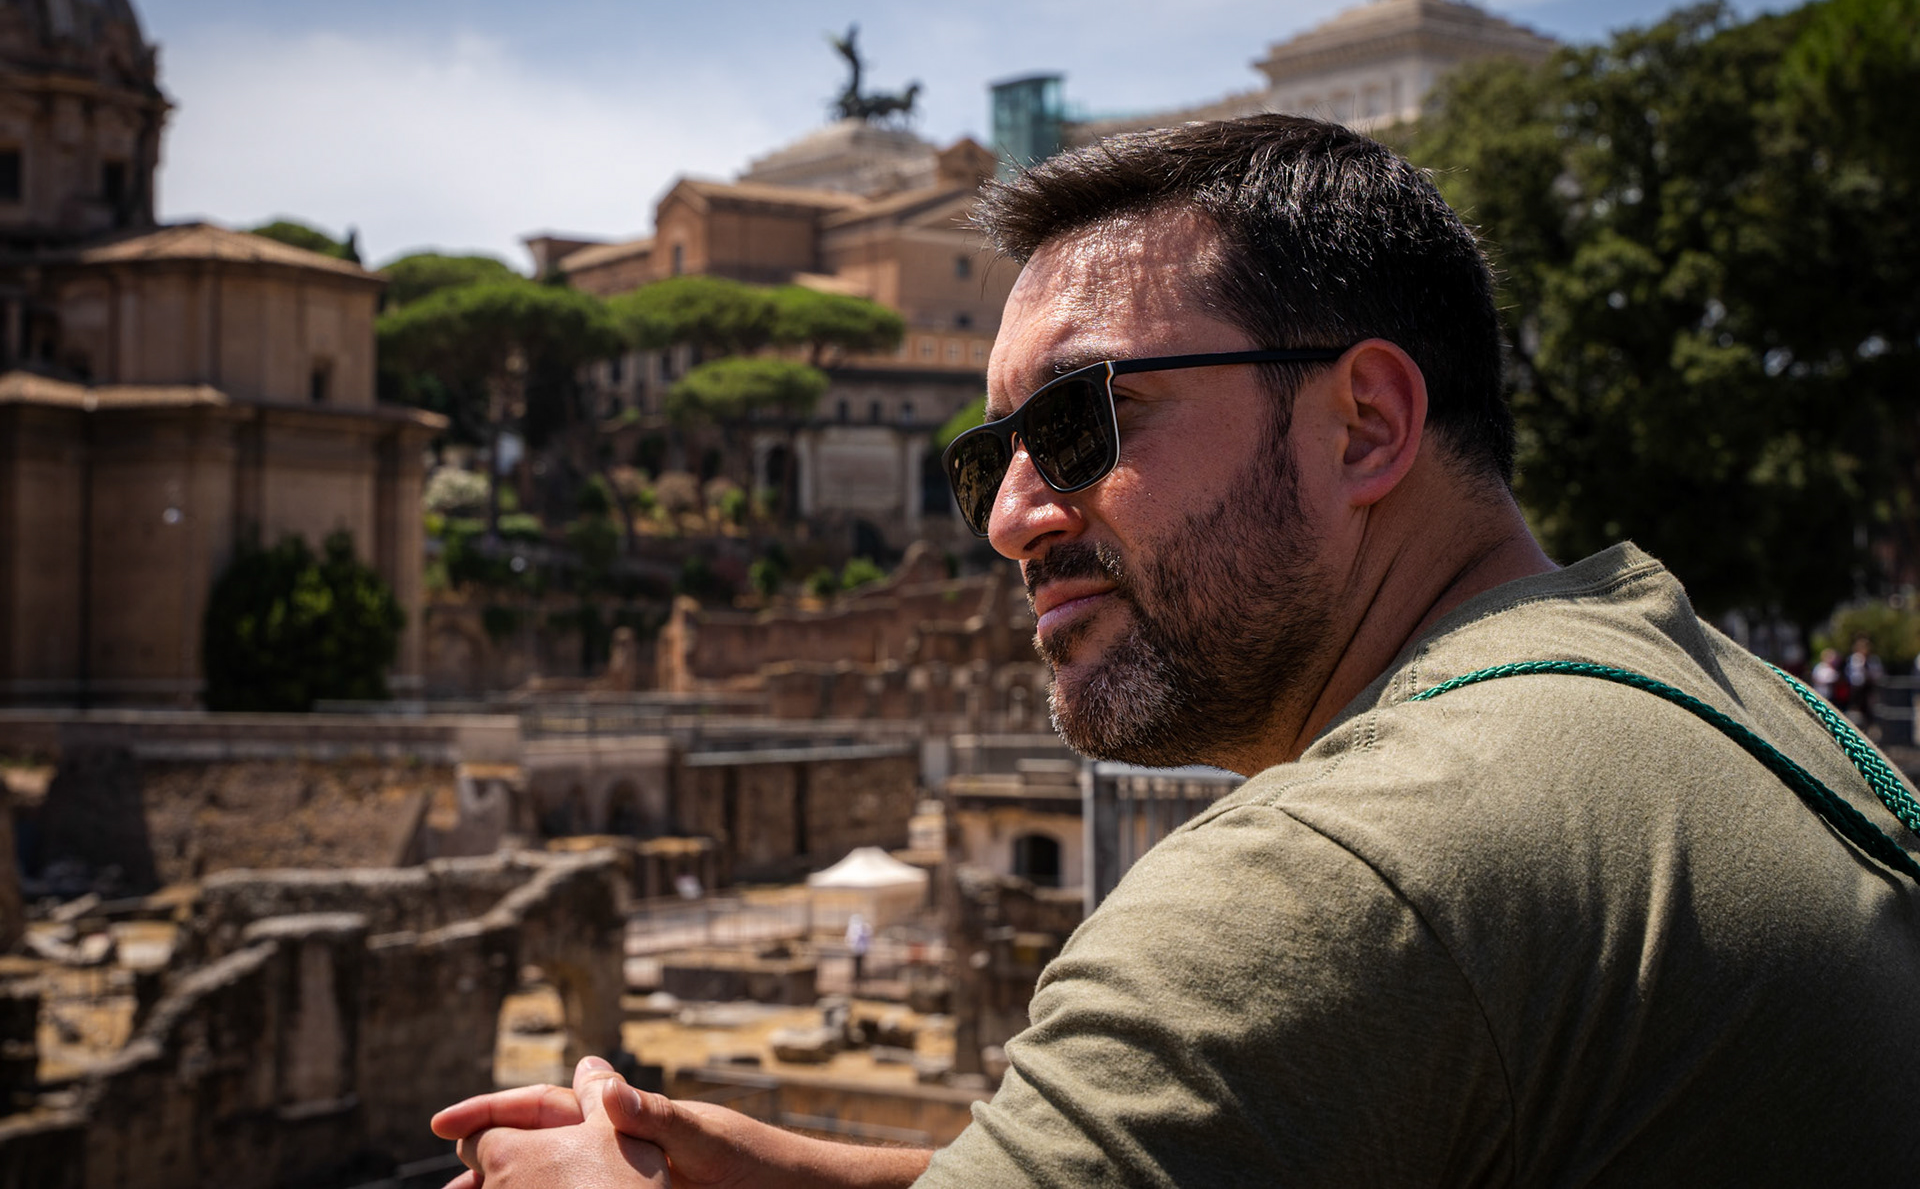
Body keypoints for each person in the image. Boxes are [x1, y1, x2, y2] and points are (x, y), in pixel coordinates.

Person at [431, 116, 1920, 1187]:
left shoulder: (1338, 880)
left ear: (1366, 425)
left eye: (1082, 423)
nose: (1009, 518)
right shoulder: (1721, 700)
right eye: (987, 460)